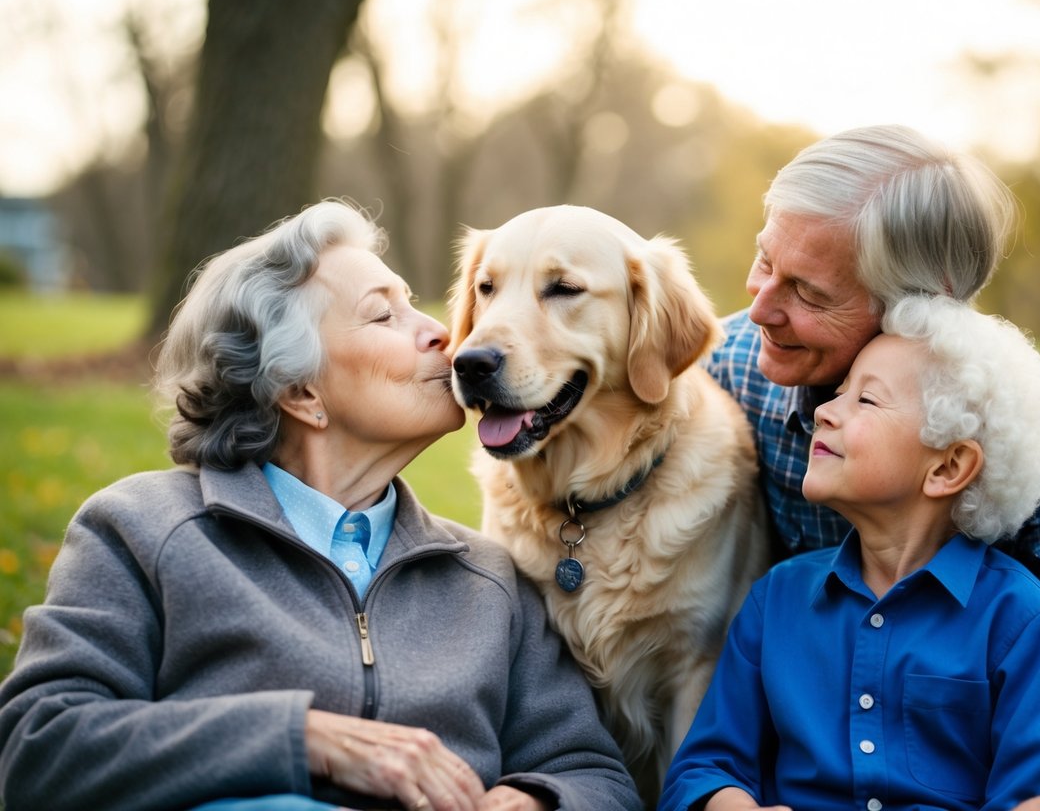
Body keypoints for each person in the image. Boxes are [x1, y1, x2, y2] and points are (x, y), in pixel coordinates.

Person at [0, 200, 642, 811]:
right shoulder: (143, 528)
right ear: (299, 389)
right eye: (384, 315)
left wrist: (531, 799)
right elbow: (37, 746)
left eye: (413, 304)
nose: (446, 335)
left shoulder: (488, 575)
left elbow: (595, 776)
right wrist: (303, 742)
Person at [707, 124, 1040, 810]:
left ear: (916, 311)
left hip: (1003, 746)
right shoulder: (728, 371)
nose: (760, 306)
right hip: (819, 747)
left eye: (809, 293)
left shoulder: (1020, 422)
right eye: (765, 261)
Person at [661, 294, 1040, 811]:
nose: (823, 411)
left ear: (948, 467)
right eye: (838, 393)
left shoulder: (1022, 623)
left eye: (865, 400)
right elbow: (702, 768)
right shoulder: (776, 600)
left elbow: (1030, 799)